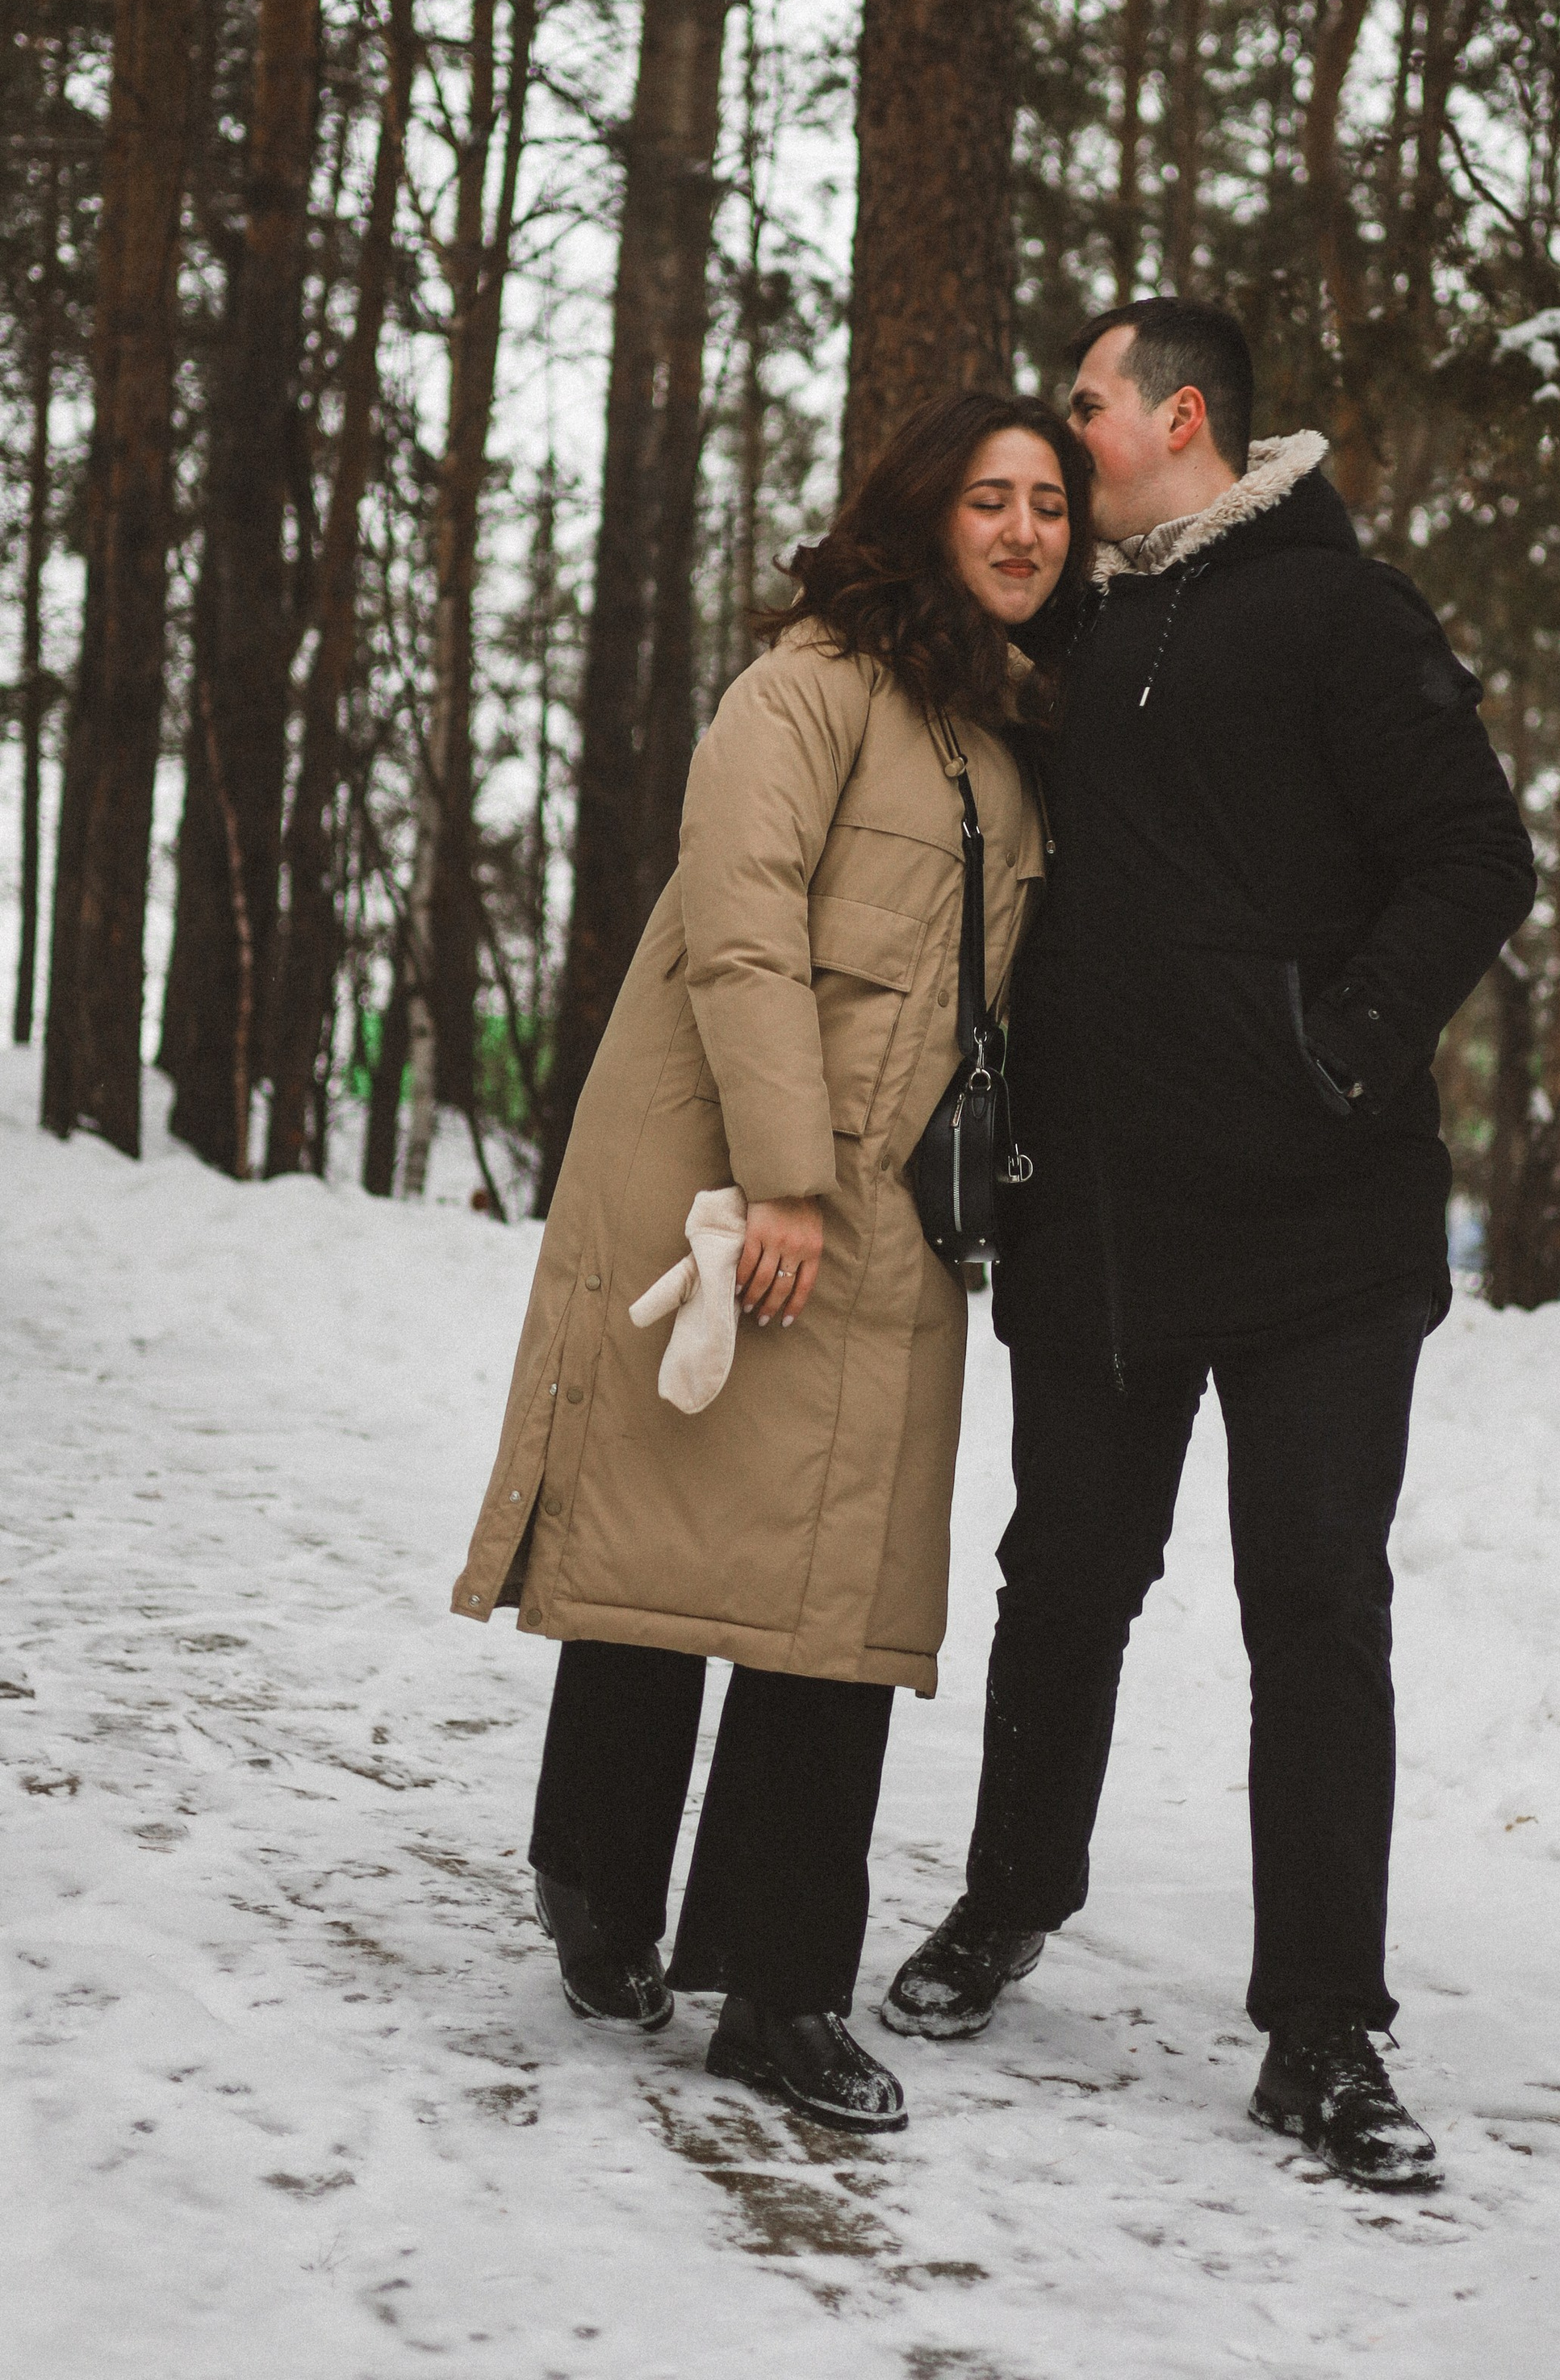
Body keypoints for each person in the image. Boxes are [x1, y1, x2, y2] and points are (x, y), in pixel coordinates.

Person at [881, 301, 1536, 2193]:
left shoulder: (1345, 614)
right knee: (1064, 1572)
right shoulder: (1073, 626)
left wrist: (1333, 1047)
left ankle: (1322, 2028)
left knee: (1314, 1611)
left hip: (1320, 1227)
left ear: (1174, 417)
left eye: (1081, 405)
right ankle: (1011, 1900)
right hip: (1094, 1215)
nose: (1060, 433)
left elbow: (1474, 857)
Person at [453, 391, 1090, 2135]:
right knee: (679, 1547)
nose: (1027, 531)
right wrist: (786, 1184)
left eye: (1051, 503)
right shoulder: (798, 692)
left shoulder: (1009, 735)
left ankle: (781, 1993)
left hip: (901, 1222)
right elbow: (740, 939)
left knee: (837, 1607)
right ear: (920, 513)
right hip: (735, 1188)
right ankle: (592, 1884)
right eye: (991, 500)